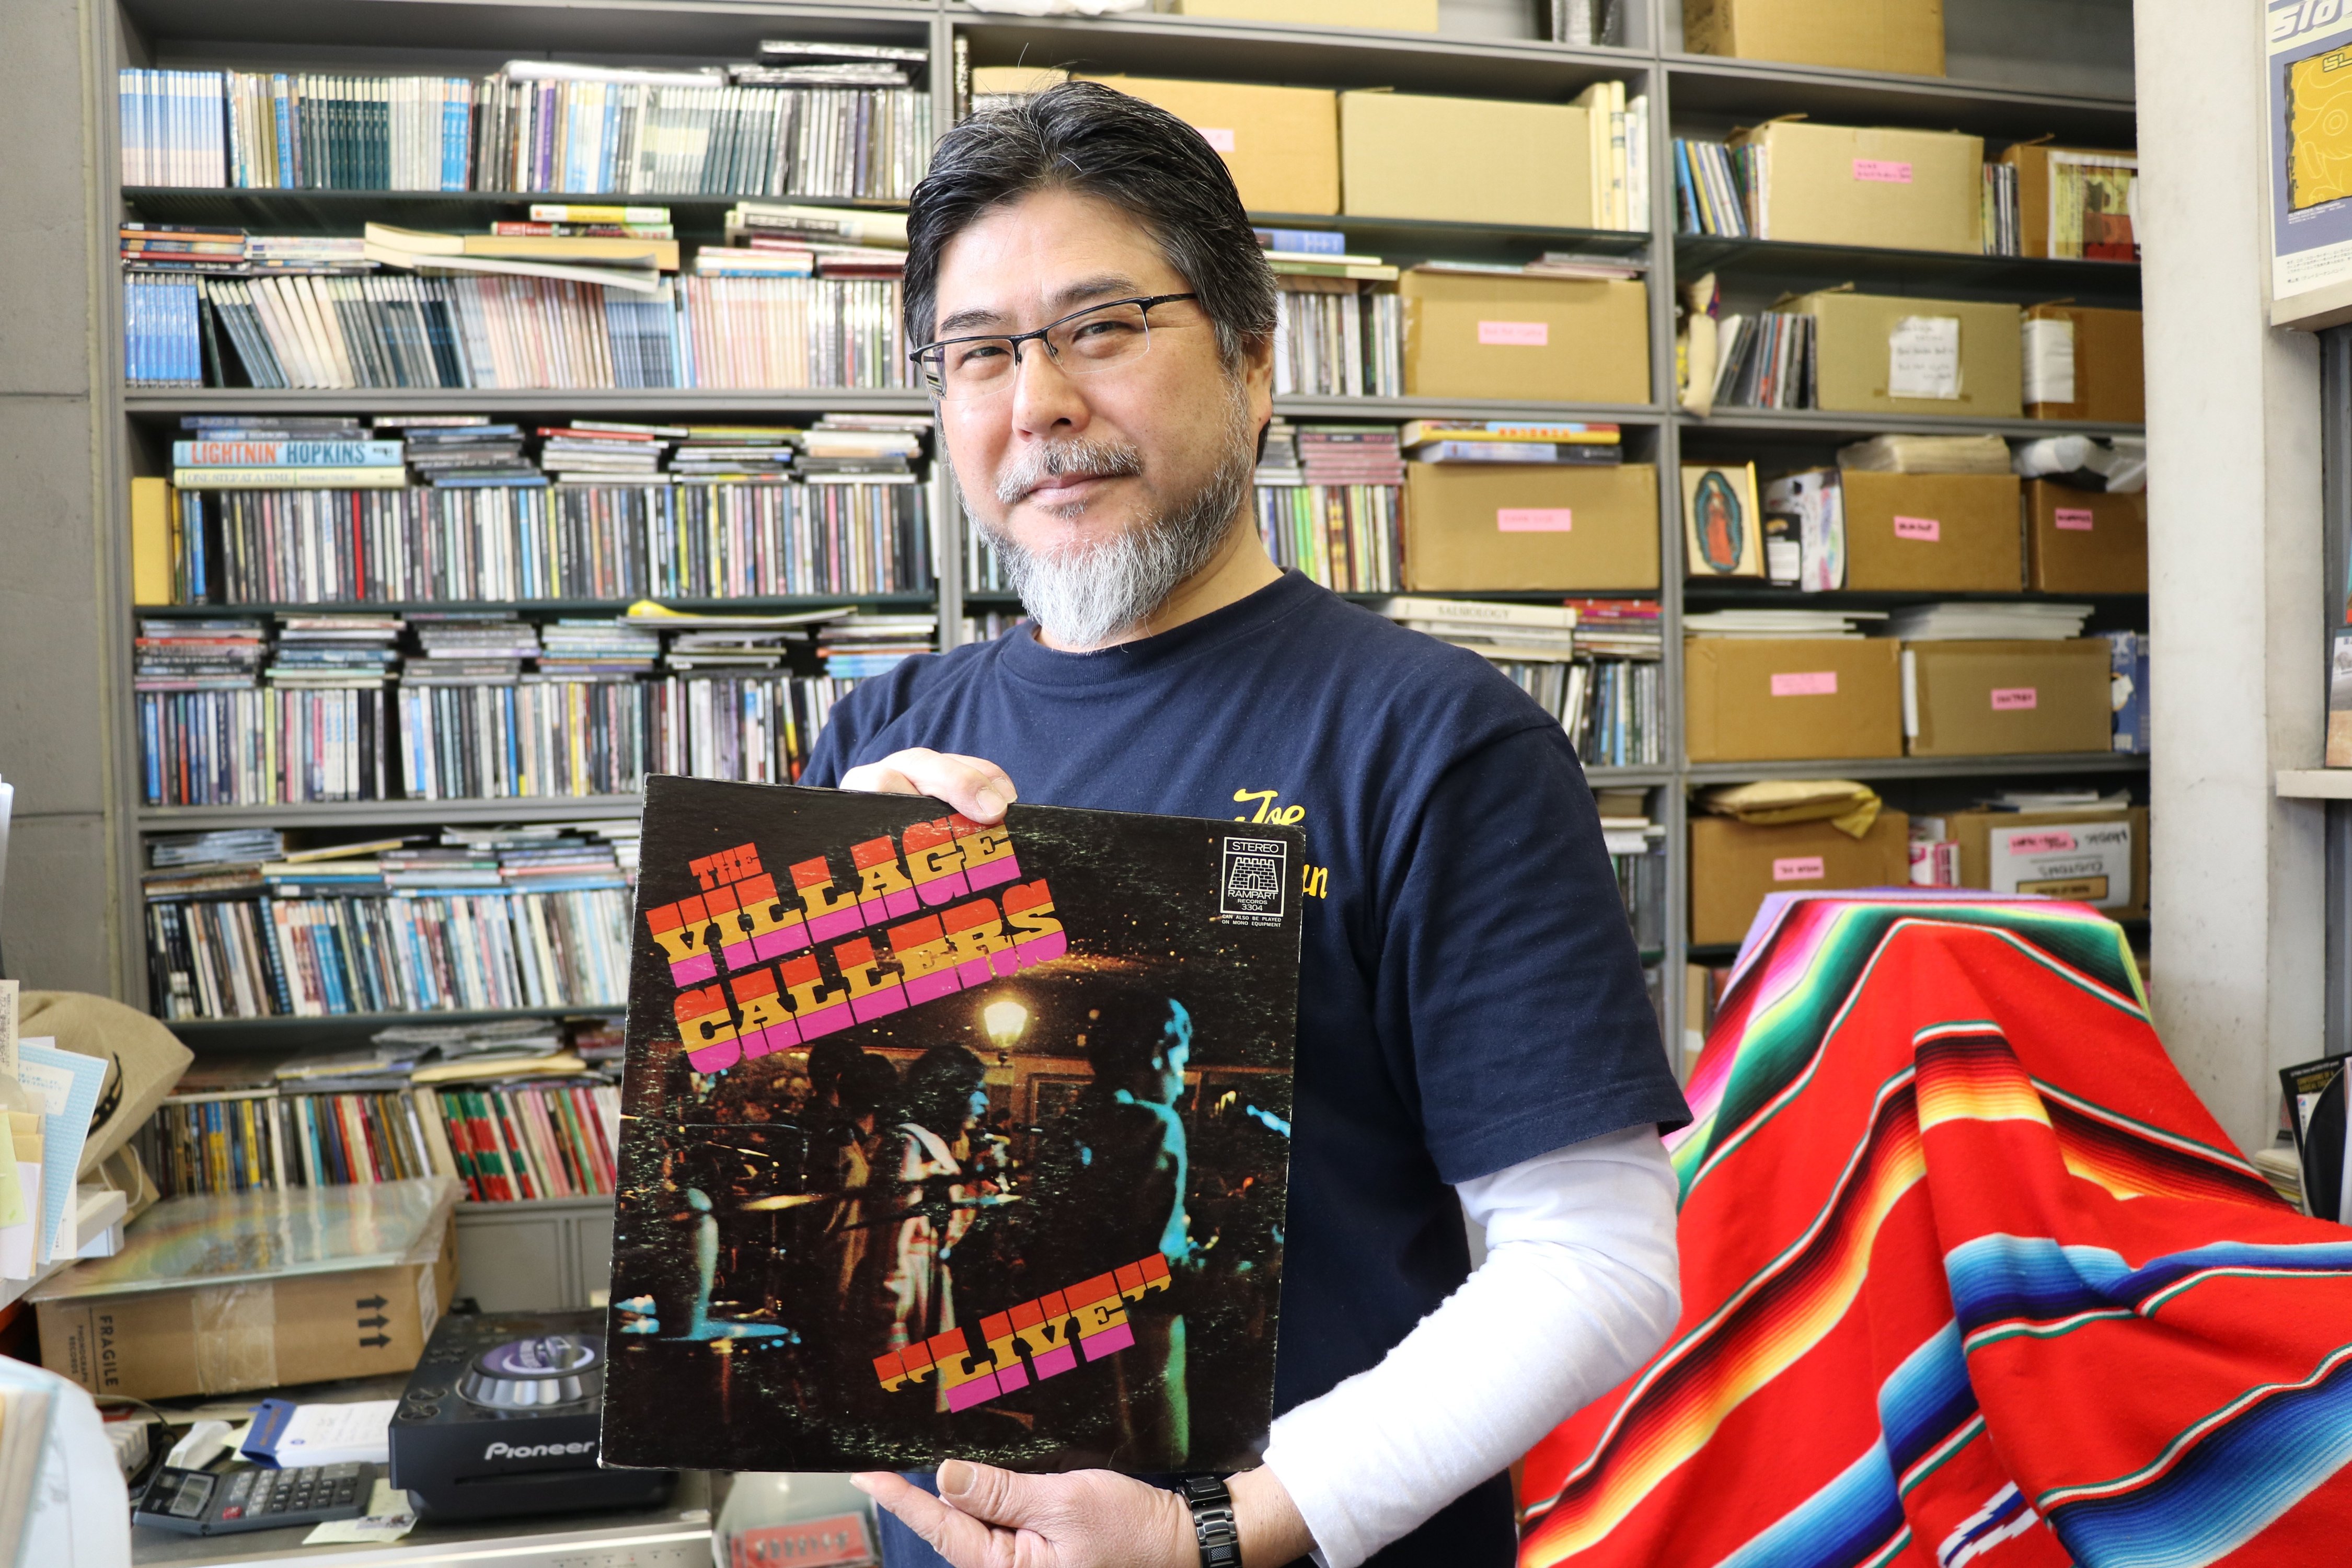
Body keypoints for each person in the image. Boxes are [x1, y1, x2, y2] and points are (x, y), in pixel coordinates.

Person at [806, 80, 1690, 1568]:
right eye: (978, 355)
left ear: (1253, 356)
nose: (1039, 405)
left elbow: (1595, 1263)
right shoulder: (877, 739)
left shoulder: (1436, 741)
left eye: (1101, 328)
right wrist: (803, 965)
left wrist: (1213, 1533)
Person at [880, 1045, 994, 1355]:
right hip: (912, 1282)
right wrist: (895, 1296)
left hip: (928, 1276)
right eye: (976, 1090)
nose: (985, 1101)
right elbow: (897, 1233)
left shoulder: (931, 1144)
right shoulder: (912, 1141)